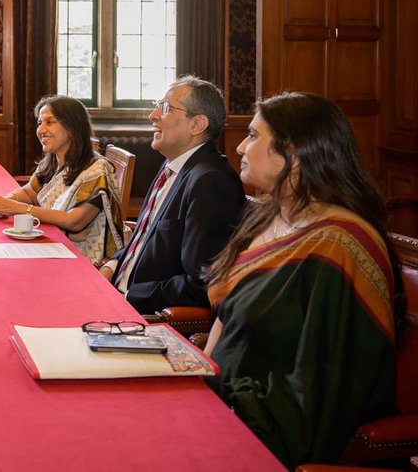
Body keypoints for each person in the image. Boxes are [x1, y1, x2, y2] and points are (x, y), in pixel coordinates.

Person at [205, 92, 401, 468]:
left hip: (268, 430)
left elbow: (314, 398)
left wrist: (221, 405)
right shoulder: (267, 216)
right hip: (220, 399)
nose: (242, 146)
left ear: (292, 153)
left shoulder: (339, 245)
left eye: (254, 135)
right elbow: (226, 315)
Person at [99, 75, 245, 313]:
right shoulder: (174, 165)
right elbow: (144, 238)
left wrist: (127, 297)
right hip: (117, 290)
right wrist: (111, 267)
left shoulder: (211, 181)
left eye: (165, 108)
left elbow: (201, 284)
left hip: (144, 313)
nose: (153, 115)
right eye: (156, 106)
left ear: (197, 124)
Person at [0, 95, 124, 265]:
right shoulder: (54, 161)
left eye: (50, 122)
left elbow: (73, 221)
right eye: (40, 123)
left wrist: (16, 208)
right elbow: (29, 192)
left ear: (72, 127)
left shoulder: (97, 170)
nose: (41, 130)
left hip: (82, 258)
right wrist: (2, 202)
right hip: (54, 245)